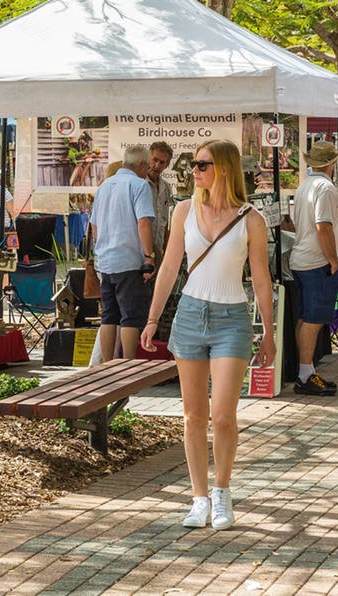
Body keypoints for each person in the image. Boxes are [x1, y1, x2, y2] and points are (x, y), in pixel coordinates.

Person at [142, 140, 276, 531]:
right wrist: (152, 320)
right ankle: (198, 496)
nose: (195, 171)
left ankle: (222, 491)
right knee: (193, 415)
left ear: (224, 168)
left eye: (202, 165)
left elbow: (262, 281)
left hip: (232, 317)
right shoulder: (183, 210)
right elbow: (168, 269)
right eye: (193, 165)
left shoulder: (251, 218)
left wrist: (268, 333)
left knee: (223, 416)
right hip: (189, 314)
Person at [283, 141, 338, 396]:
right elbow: (323, 225)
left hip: (303, 258)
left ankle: (305, 371)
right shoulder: (325, 187)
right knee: (313, 318)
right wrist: (332, 259)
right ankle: (305, 374)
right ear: (332, 162)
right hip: (316, 260)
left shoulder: (306, 184)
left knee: (306, 316)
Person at [87, 144, 156, 361]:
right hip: (129, 260)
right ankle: (127, 364)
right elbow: (143, 222)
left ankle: (108, 366)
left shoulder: (105, 185)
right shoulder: (139, 185)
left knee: (109, 316)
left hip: (105, 260)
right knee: (131, 317)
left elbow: (95, 226)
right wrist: (149, 255)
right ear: (143, 165)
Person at [147, 141, 175, 258]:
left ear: (167, 165)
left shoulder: (167, 188)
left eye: (162, 162)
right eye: (154, 160)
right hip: (141, 254)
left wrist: (167, 254)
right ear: (148, 158)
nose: (157, 165)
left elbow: (168, 223)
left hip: (159, 253)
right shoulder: (138, 185)